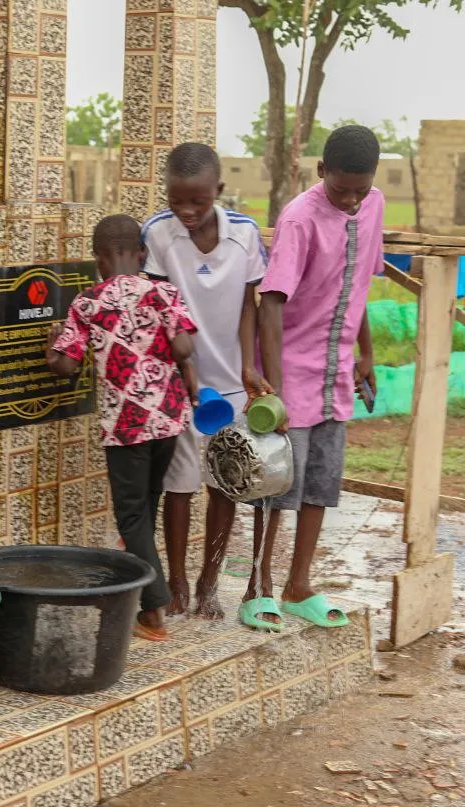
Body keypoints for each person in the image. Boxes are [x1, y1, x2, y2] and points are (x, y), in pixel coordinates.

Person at [141, 143, 278, 630]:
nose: (187, 211)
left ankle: (208, 582)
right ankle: (177, 583)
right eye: (178, 200)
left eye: (197, 201)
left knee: (225, 486)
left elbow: (249, 306)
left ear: (218, 191)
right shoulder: (158, 233)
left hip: (231, 384)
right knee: (178, 488)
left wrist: (247, 365)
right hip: (178, 386)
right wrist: (182, 378)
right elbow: (157, 310)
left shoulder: (243, 235)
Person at [256, 124, 384, 629]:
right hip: (294, 371)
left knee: (321, 484)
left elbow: (359, 287)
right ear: (320, 171)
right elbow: (270, 303)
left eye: (361, 188)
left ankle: (299, 583)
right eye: (341, 190)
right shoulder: (299, 218)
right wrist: (276, 389)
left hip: (337, 372)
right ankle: (260, 584)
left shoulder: (372, 205)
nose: (351, 200)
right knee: (278, 485)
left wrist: (366, 352)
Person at [47, 214, 197, 641]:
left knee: (130, 515)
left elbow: (65, 366)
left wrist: (50, 343)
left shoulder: (88, 303)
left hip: (126, 427)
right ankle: (139, 582)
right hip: (168, 420)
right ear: (143, 253)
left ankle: (153, 609)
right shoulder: (164, 292)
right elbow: (184, 346)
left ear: (98, 260)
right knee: (147, 504)